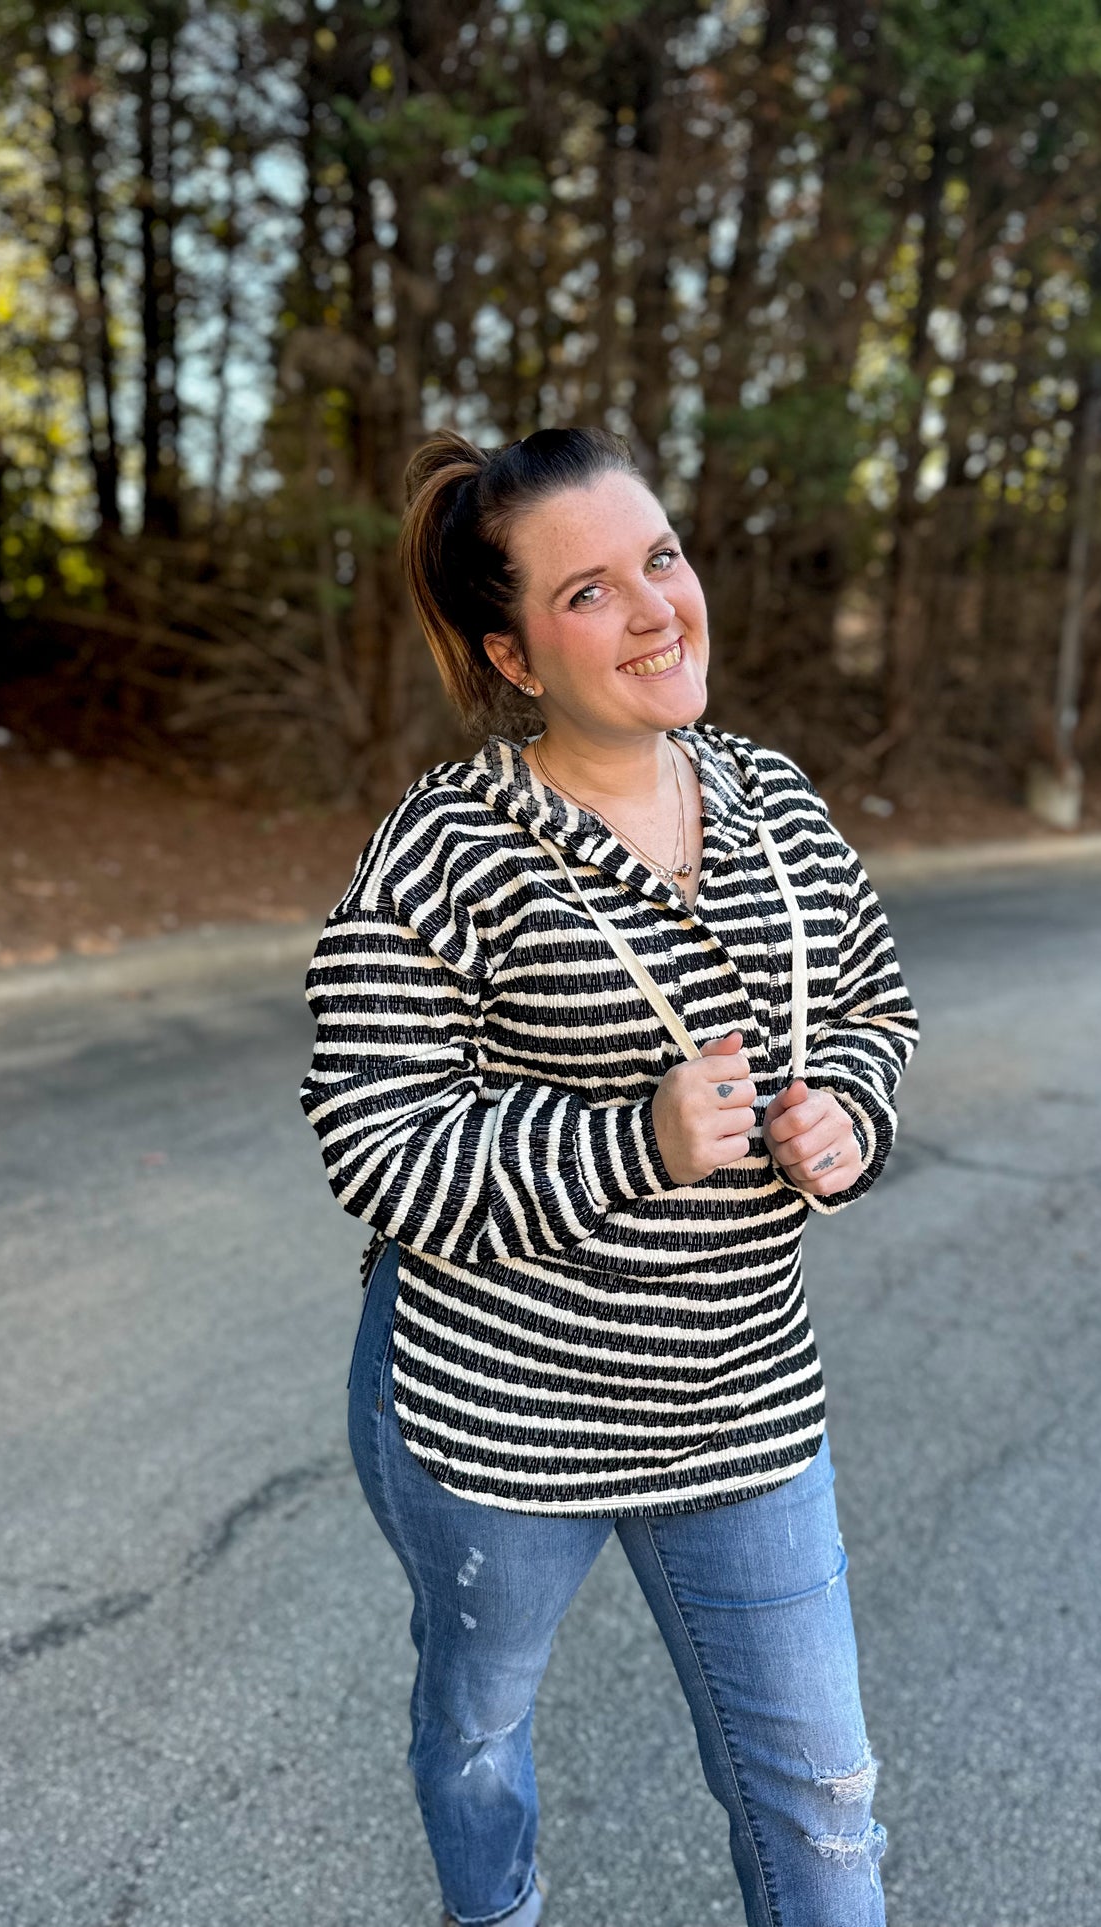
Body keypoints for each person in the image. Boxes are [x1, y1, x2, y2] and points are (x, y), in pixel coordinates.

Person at [298, 425, 920, 1927]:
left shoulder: (774, 803)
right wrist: (628, 1138)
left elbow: (869, 1012)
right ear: (512, 655)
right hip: (497, 1417)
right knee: (476, 1732)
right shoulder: (447, 847)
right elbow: (369, 1142)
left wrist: (847, 1110)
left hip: (736, 1396)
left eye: (660, 557)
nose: (654, 609)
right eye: (589, 593)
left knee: (823, 1808)